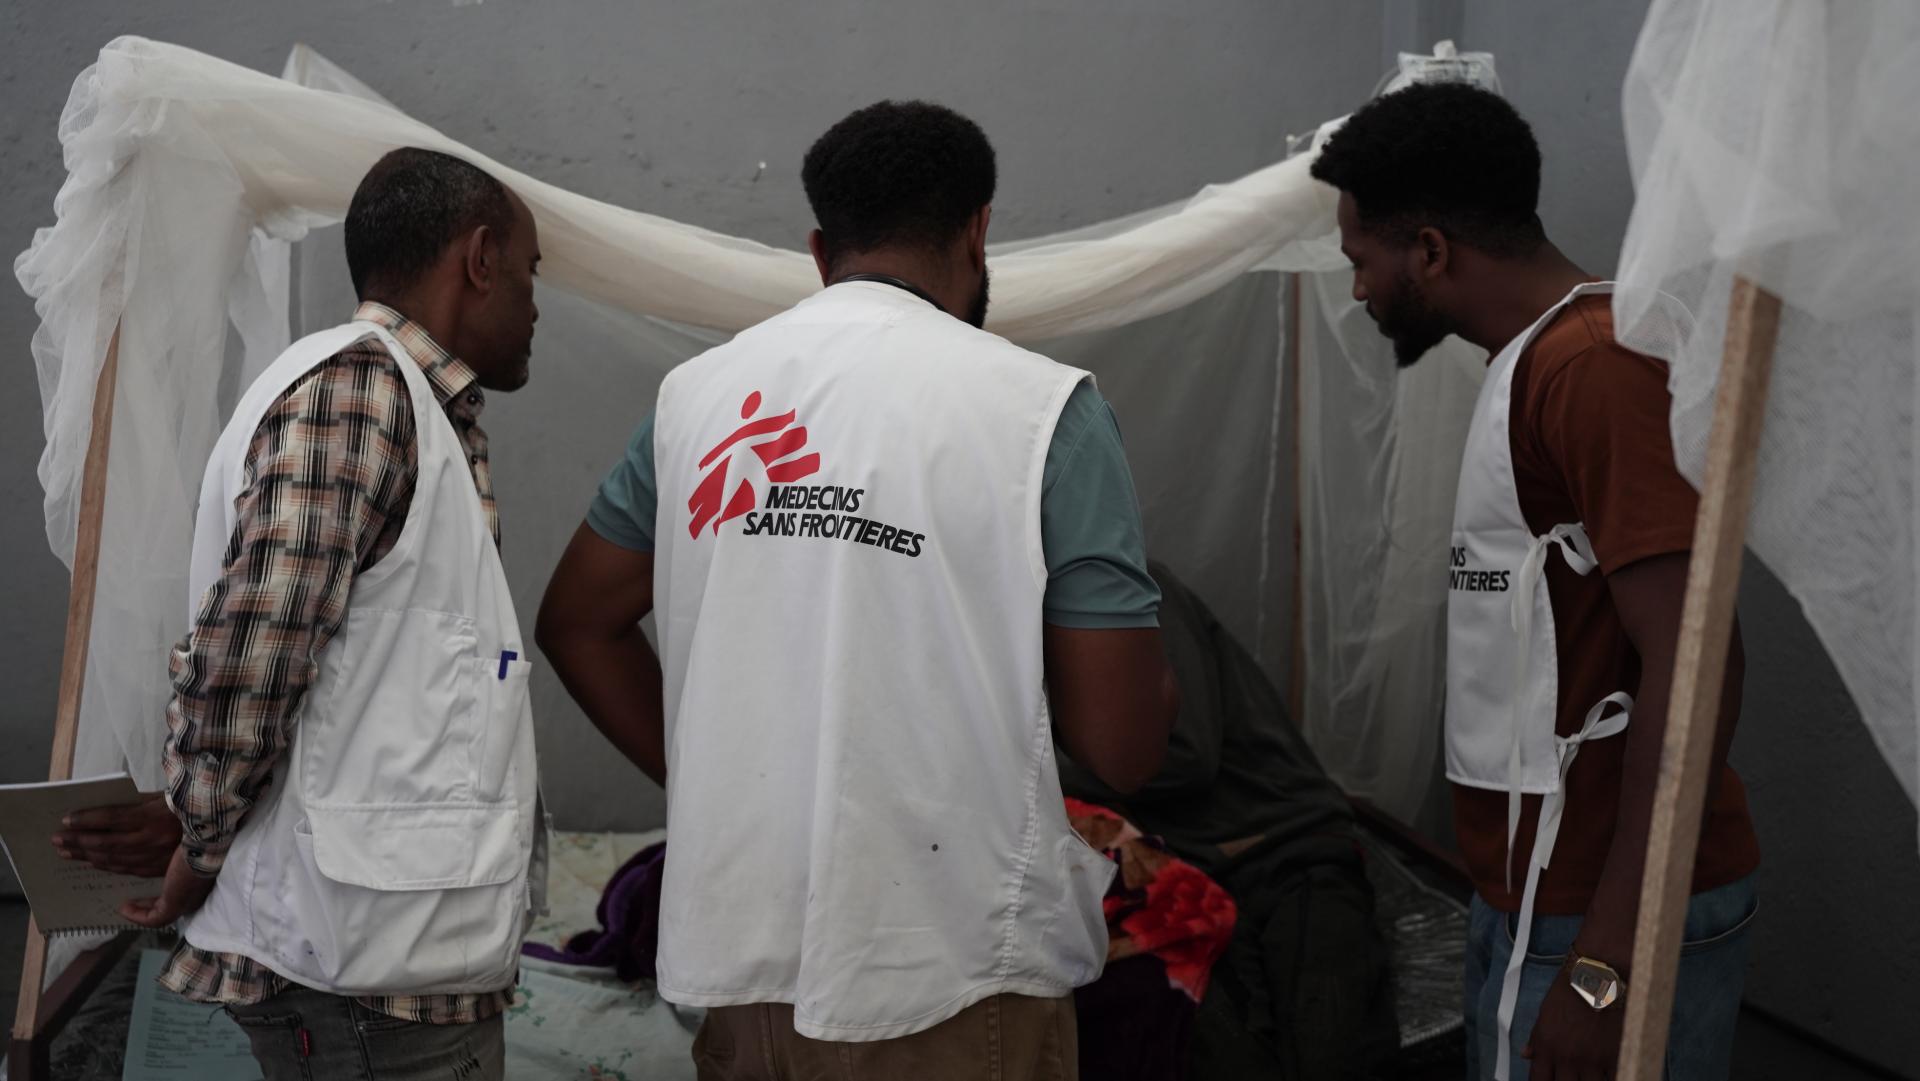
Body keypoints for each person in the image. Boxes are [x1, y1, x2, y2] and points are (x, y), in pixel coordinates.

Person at [536, 99, 1177, 1080]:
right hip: (954, 978)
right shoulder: (1046, 413)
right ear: (978, 229)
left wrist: (721, 783)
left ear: (818, 247)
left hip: (741, 966)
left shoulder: (701, 399)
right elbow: (1124, 745)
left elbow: (579, 621)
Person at [61, 147, 545, 1081]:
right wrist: (198, 849)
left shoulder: (409, 411)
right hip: (359, 979)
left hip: (387, 961)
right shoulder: (357, 392)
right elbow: (250, 656)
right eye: (529, 274)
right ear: (480, 258)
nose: (535, 306)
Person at [1310, 83, 1761, 1081]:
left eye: (1361, 262)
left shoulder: (1593, 369)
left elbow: (1698, 669)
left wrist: (1602, 967)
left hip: (1604, 915)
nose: (1358, 292)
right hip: (1537, 897)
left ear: (1429, 249)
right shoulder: (1532, 364)